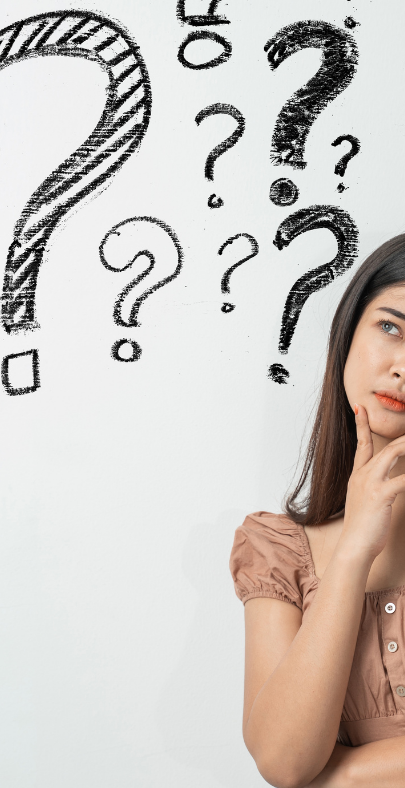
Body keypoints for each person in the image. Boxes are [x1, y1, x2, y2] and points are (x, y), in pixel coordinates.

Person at [230, 233, 405, 788]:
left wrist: (344, 778)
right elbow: (284, 763)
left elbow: (309, 779)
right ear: (348, 333)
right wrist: (354, 549)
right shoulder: (277, 548)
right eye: (391, 327)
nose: (403, 367)